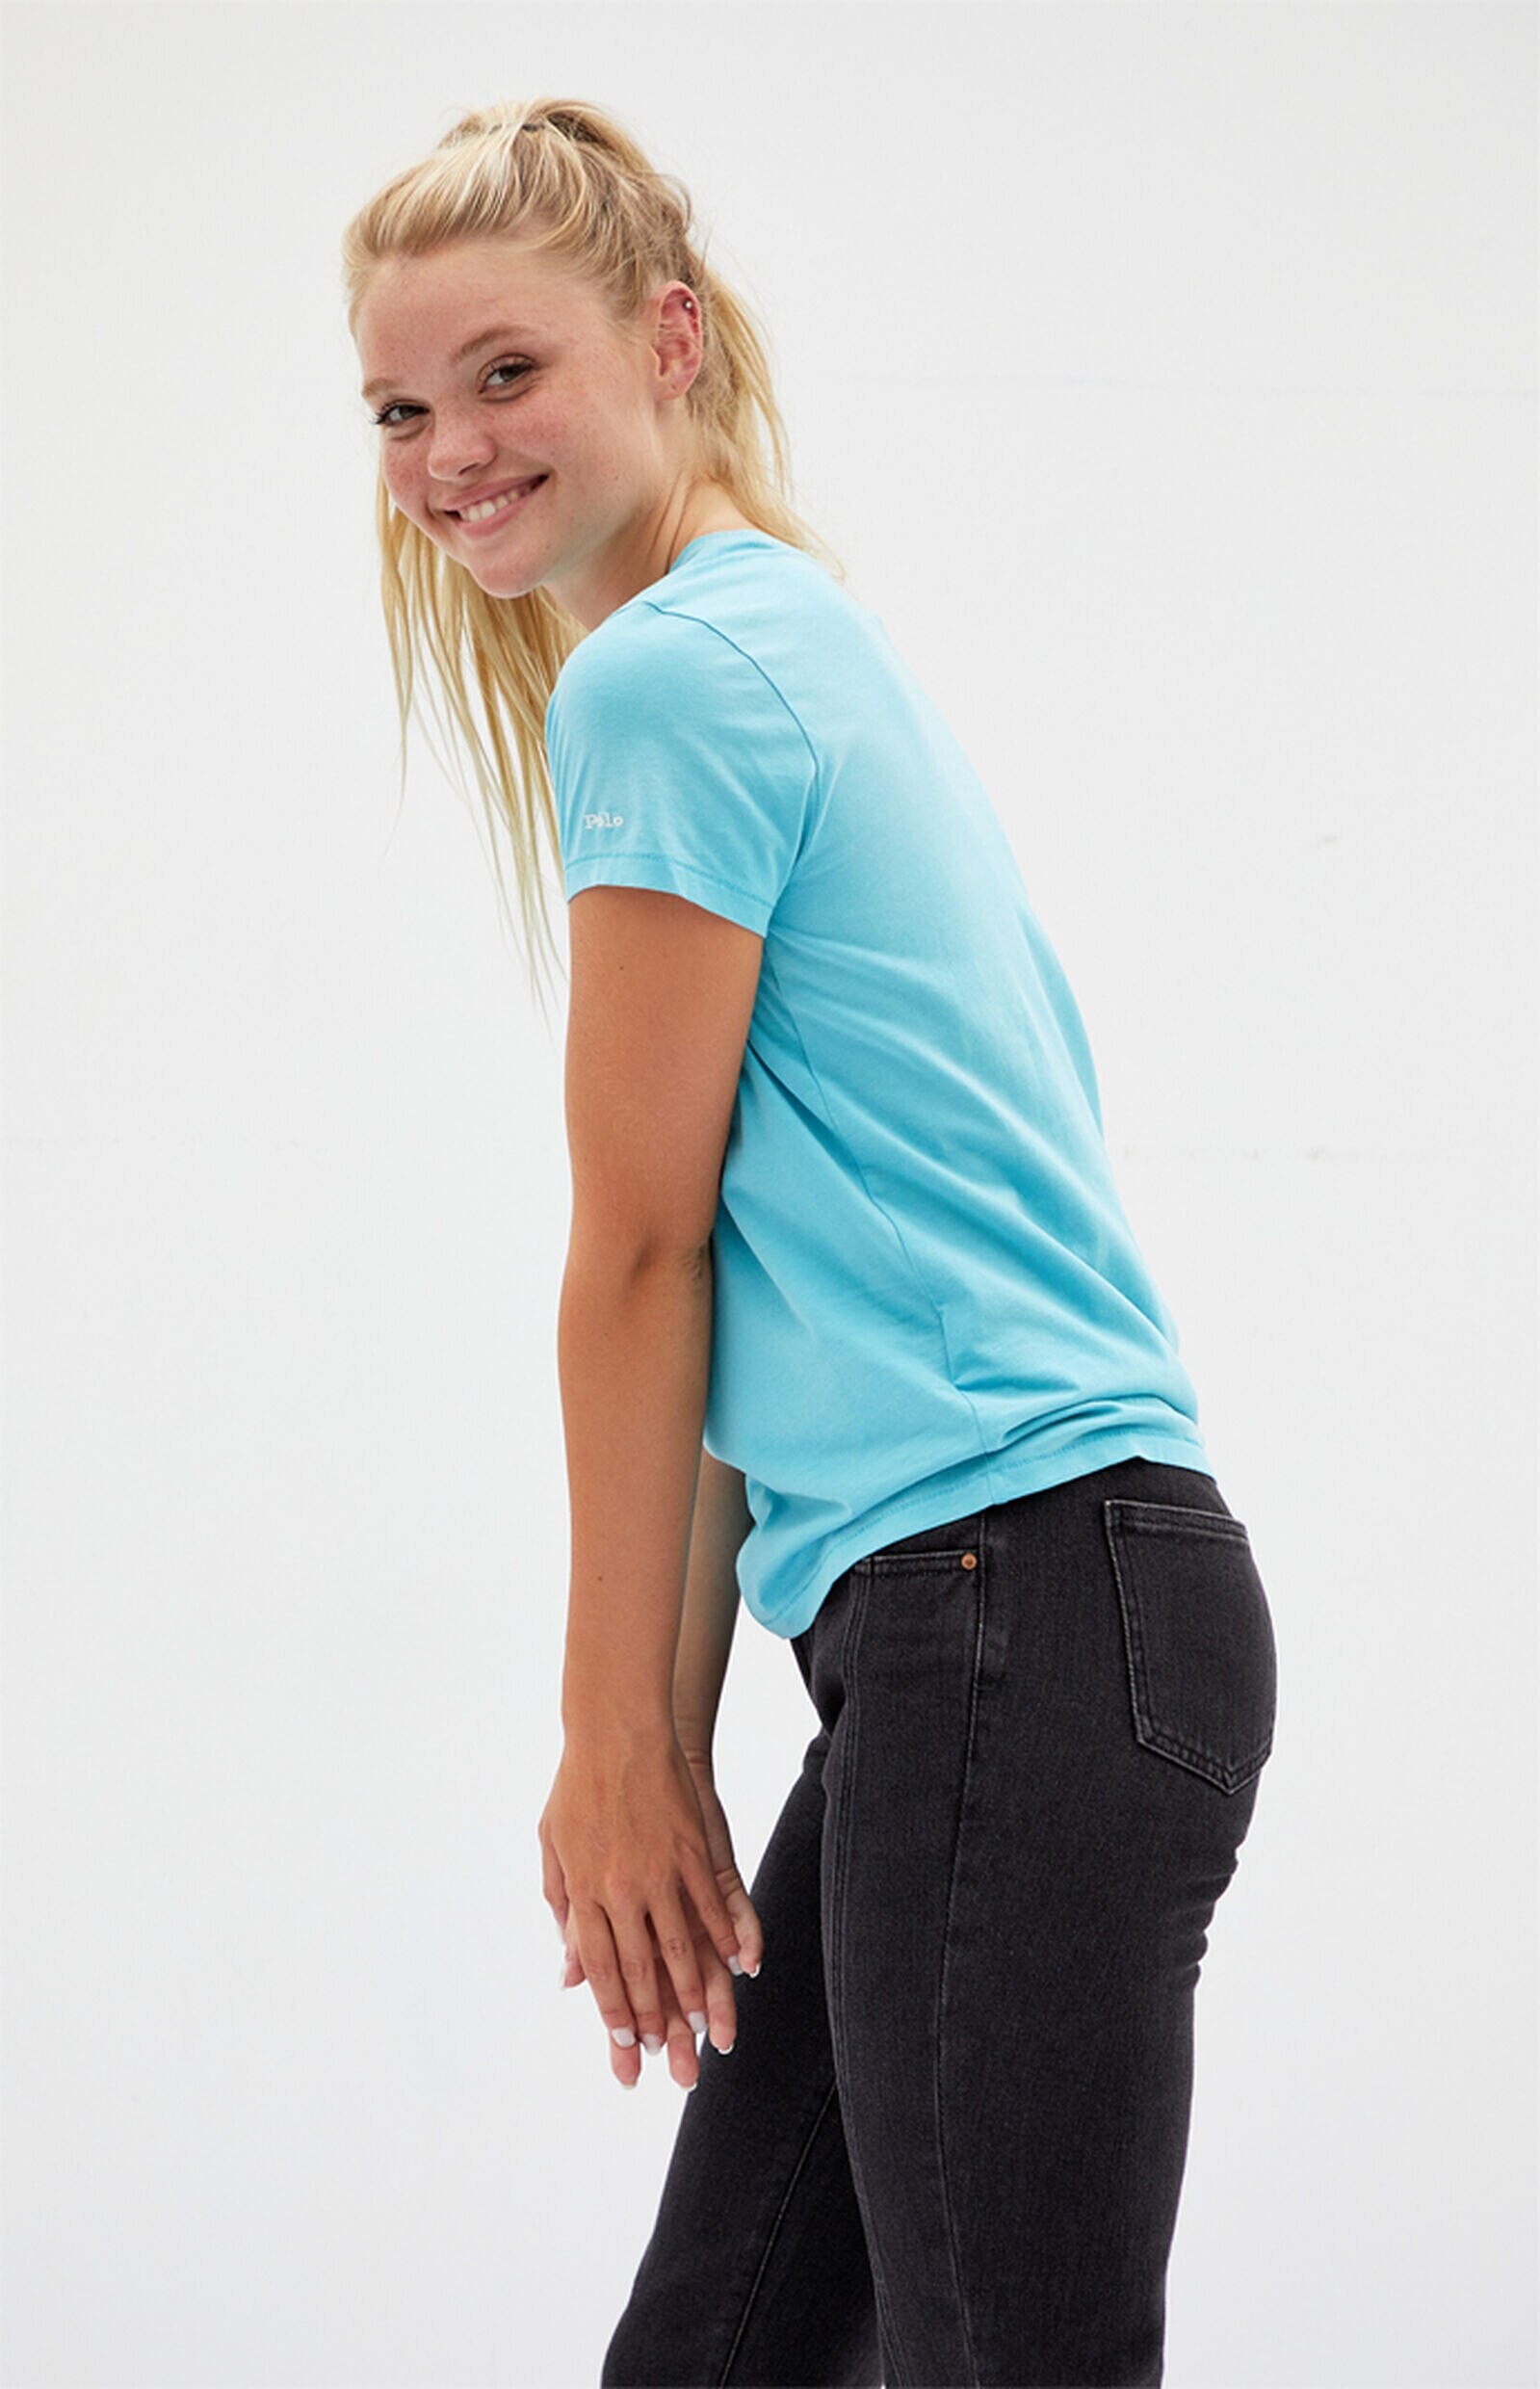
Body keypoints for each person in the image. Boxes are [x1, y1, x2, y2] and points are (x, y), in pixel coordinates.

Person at [344, 95, 1280, 2389]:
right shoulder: (779, 641)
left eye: (503, 373)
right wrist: (656, 1736)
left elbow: (639, 1255)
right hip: (1002, 1616)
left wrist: (611, 1745)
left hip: (1014, 1600)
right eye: (397, 406)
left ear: (666, 342)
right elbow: (736, 1308)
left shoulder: (672, 675)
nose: (449, 452)